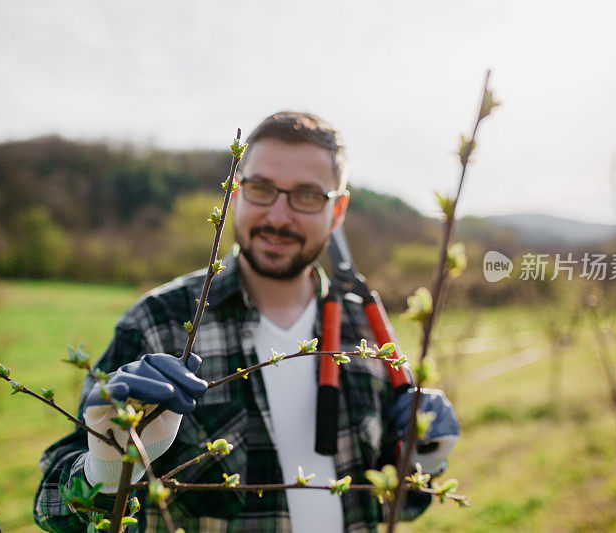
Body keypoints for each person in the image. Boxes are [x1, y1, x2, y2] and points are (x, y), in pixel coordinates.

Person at [34, 111, 459, 532]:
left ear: (338, 209)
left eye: (307, 196)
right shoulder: (156, 322)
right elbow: (51, 508)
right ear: (235, 192)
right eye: (261, 189)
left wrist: (424, 459)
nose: (278, 216)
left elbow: (394, 506)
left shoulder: (365, 333)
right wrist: (105, 468)